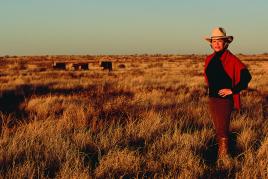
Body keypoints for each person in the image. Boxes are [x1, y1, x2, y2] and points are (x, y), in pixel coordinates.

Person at [204, 27, 252, 158]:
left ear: (225, 43)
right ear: (211, 44)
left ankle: (224, 159)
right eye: (214, 41)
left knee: (222, 129)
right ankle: (222, 156)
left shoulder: (231, 58)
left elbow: (247, 76)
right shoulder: (209, 59)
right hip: (213, 99)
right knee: (219, 128)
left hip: (224, 100)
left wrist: (232, 90)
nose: (217, 44)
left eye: (220, 41)